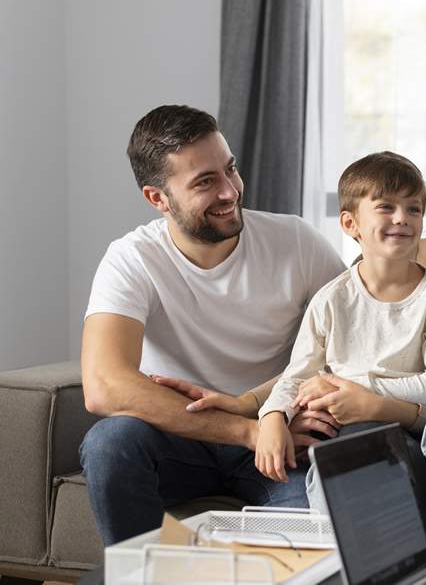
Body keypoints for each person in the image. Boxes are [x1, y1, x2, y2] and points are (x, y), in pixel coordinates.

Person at [162, 141, 426, 529]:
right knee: (346, 454)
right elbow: (321, 364)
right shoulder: (391, 253)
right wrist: (254, 406)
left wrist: (368, 401)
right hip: (395, 430)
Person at [79, 105, 345, 545]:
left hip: (276, 434)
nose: (230, 191)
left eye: (231, 169)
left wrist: (276, 415)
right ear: (157, 198)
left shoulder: (296, 243)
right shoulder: (131, 259)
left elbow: (350, 346)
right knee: (111, 443)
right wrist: (245, 430)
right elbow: (105, 385)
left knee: (304, 535)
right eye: (205, 181)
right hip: (179, 437)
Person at [254, 151, 426, 491]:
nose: (402, 218)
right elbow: (299, 376)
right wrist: (272, 417)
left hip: (405, 429)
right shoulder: (331, 298)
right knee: (325, 459)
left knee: (363, 456)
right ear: (350, 224)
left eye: (414, 209)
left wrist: (353, 388)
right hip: (337, 428)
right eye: (386, 207)